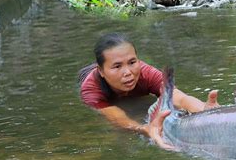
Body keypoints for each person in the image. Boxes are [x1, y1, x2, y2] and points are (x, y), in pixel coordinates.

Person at [79, 33, 219, 149]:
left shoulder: (146, 73)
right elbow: (117, 117)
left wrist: (208, 112)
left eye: (132, 62)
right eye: (117, 66)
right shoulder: (91, 89)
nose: (128, 72)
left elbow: (178, 97)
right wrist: (144, 128)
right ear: (101, 71)